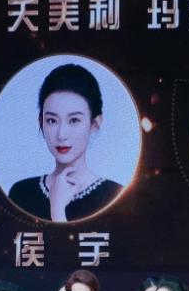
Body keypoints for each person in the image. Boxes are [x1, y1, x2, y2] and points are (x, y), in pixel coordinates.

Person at [7, 63, 123, 221]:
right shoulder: (21, 193)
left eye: (74, 120)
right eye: (52, 121)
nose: (61, 135)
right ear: (41, 122)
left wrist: (57, 210)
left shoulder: (115, 195)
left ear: (94, 124)